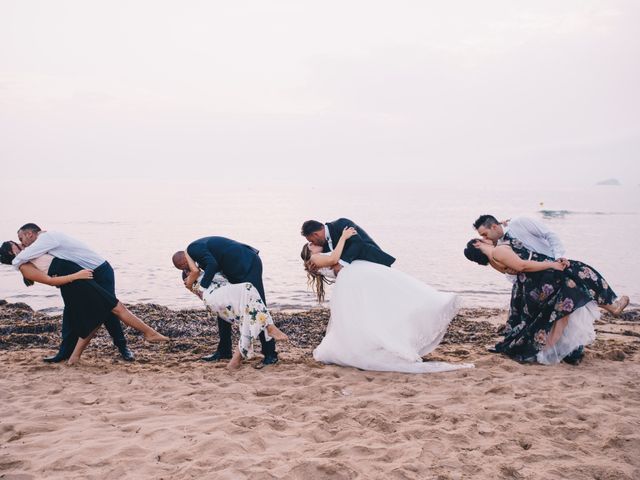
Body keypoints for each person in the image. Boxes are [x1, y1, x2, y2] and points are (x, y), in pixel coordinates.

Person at [300, 222, 472, 373]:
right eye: (309, 244)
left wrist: (342, 249)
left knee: (369, 312)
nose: (312, 243)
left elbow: (350, 249)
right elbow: (335, 258)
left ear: (316, 233)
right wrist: (343, 239)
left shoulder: (336, 231)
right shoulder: (317, 257)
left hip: (355, 280)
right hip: (352, 281)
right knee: (369, 312)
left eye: (311, 240)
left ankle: (373, 343)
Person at [464, 236, 629, 364]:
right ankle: (544, 352)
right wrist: (551, 265)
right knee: (578, 280)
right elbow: (522, 266)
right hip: (545, 278)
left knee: (561, 313)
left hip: (537, 283)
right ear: (477, 245)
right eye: (482, 237)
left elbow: (517, 270)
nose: (486, 238)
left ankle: (549, 351)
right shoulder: (497, 251)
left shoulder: (493, 260)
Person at [1, 240, 168, 365]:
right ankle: (149, 333)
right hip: (77, 280)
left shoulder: (29, 257)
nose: (20, 244)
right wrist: (77, 276)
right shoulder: (24, 267)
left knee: (98, 314)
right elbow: (51, 281)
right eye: (16, 245)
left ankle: (74, 357)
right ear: (11, 252)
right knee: (114, 307)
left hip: (79, 278)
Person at [10, 223, 138, 362]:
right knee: (71, 310)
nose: (22, 243)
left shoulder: (47, 238)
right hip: (83, 275)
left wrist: (15, 259)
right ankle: (65, 353)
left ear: (29, 234)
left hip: (100, 271)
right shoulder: (42, 245)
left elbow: (19, 259)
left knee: (108, 309)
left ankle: (123, 347)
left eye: (21, 238)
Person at [172, 236, 278, 367]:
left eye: (183, 266)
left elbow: (212, 264)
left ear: (183, 259)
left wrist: (202, 288)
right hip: (232, 270)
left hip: (247, 263)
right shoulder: (196, 258)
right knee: (223, 306)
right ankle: (224, 350)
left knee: (257, 306)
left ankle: (270, 354)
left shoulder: (193, 249)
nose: (185, 270)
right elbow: (214, 267)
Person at [184, 269, 288, 370]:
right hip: (217, 299)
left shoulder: (198, 285)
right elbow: (201, 270)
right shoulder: (202, 277)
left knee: (248, 317)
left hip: (216, 304)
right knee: (248, 287)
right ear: (189, 274)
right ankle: (269, 326)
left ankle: (236, 359)